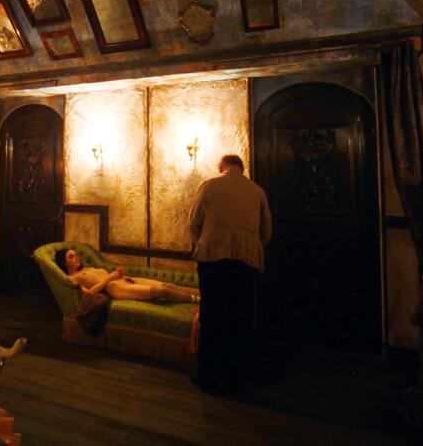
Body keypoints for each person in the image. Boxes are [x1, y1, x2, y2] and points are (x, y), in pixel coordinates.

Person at [187, 153, 272, 395]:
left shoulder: (209, 186)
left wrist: (206, 242)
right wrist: (250, 247)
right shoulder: (257, 191)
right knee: (240, 319)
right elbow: (266, 231)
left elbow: (193, 223)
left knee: (212, 316)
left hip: (213, 261)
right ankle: (237, 377)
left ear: (221, 167)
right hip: (246, 263)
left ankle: (208, 375)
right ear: (242, 169)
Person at [53, 248, 199, 303]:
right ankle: (200, 301)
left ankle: (206, 294)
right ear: (64, 263)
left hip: (123, 279)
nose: (76, 258)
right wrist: (110, 277)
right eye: (71, 257)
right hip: (116, 288)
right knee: (163, 292)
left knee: (169, 285)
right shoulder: (72, 279)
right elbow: (88, 294)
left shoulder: (87, 268)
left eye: (76, 255)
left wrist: (117, 274)